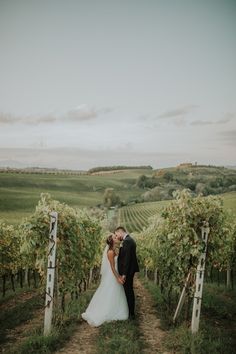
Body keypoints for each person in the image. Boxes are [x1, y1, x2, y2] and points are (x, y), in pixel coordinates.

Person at [81, 234, 129, 327]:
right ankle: (105, 312)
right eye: (115, 237)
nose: (117, 238)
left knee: (114, 293)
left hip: (115, 273)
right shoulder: (110, 252)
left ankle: (114, 309)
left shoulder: (115, 249)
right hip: (112, 275)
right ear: (111, 241)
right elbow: (112, 267)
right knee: (110, 292)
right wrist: (118, 277)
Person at [115, 226, 139, 320]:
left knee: (129, 292)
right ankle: (130, 313)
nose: (117, 237)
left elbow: (127, 259)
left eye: (117, 234)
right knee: (129, 291)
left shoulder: (127, 241)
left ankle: (131, 314)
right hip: (129, 270)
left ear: (120, 232)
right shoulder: (128, 240)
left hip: (128, 271)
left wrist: (124, 274)